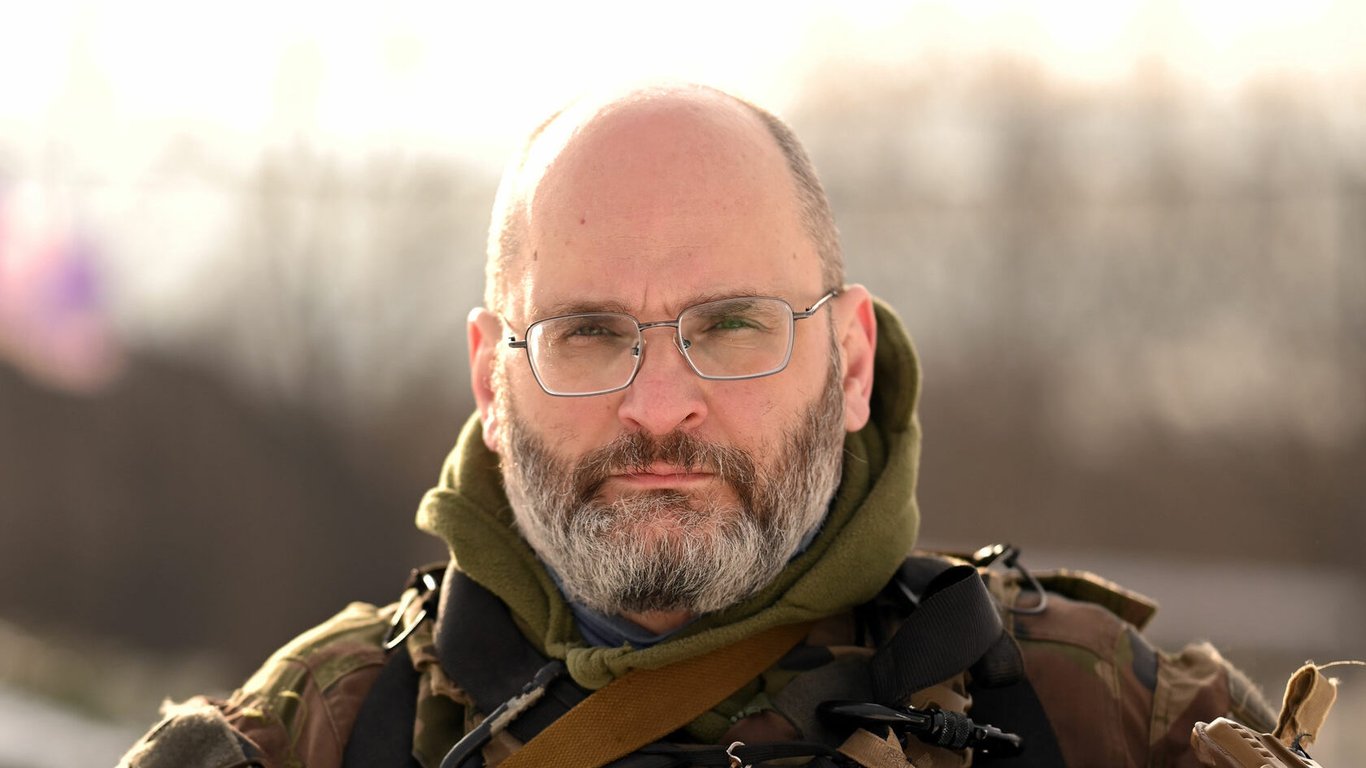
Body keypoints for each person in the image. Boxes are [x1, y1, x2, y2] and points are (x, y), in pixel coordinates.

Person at [119, 83, 1276, 768]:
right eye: (586, 332)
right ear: (490, 380)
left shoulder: (1101, 717)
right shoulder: (313, 737)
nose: (659, 404)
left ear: (851, 363)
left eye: (729, 326)